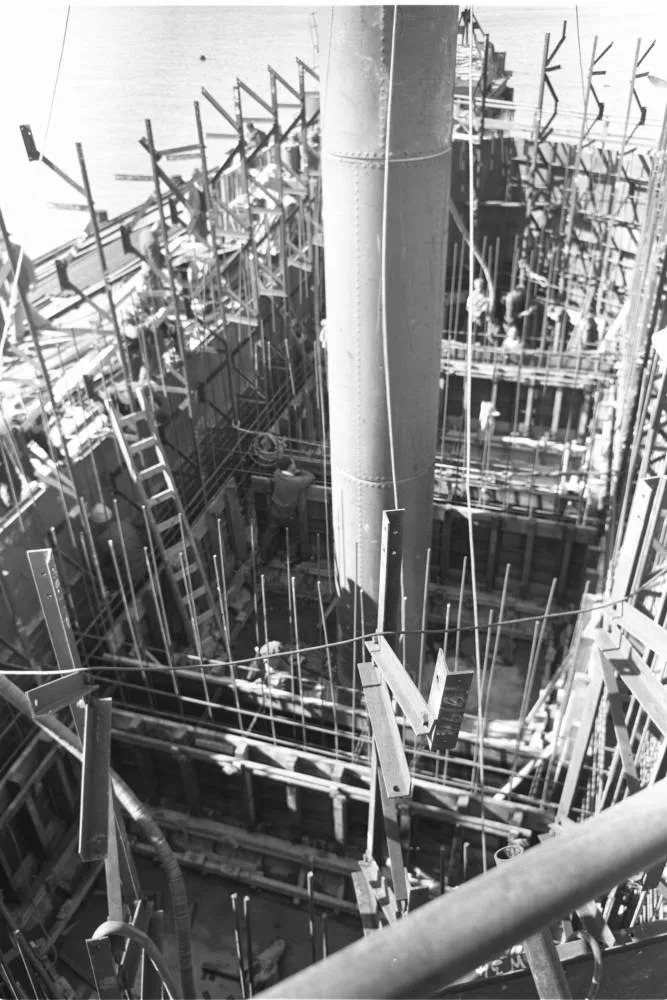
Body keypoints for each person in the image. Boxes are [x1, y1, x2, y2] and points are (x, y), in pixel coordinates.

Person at [259, 457, 314, 565]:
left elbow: (280, 470)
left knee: (270, 532)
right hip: (287, 514)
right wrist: (300, 471)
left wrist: (293, 472)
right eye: (294, 463)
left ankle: (263, 558)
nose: (295, 465)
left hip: (274, 510)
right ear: (290, 467)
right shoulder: (296, 482)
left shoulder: (277, 474)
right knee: (294, 535)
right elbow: (311, 476)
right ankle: (290, 559)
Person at [90, 502, 145, 588]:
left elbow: (101, 562)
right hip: (143, 565)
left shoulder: (103, 539)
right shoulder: (125, 524)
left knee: (99, 570)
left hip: (132, 576)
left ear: (98, 524)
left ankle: (113, 589)